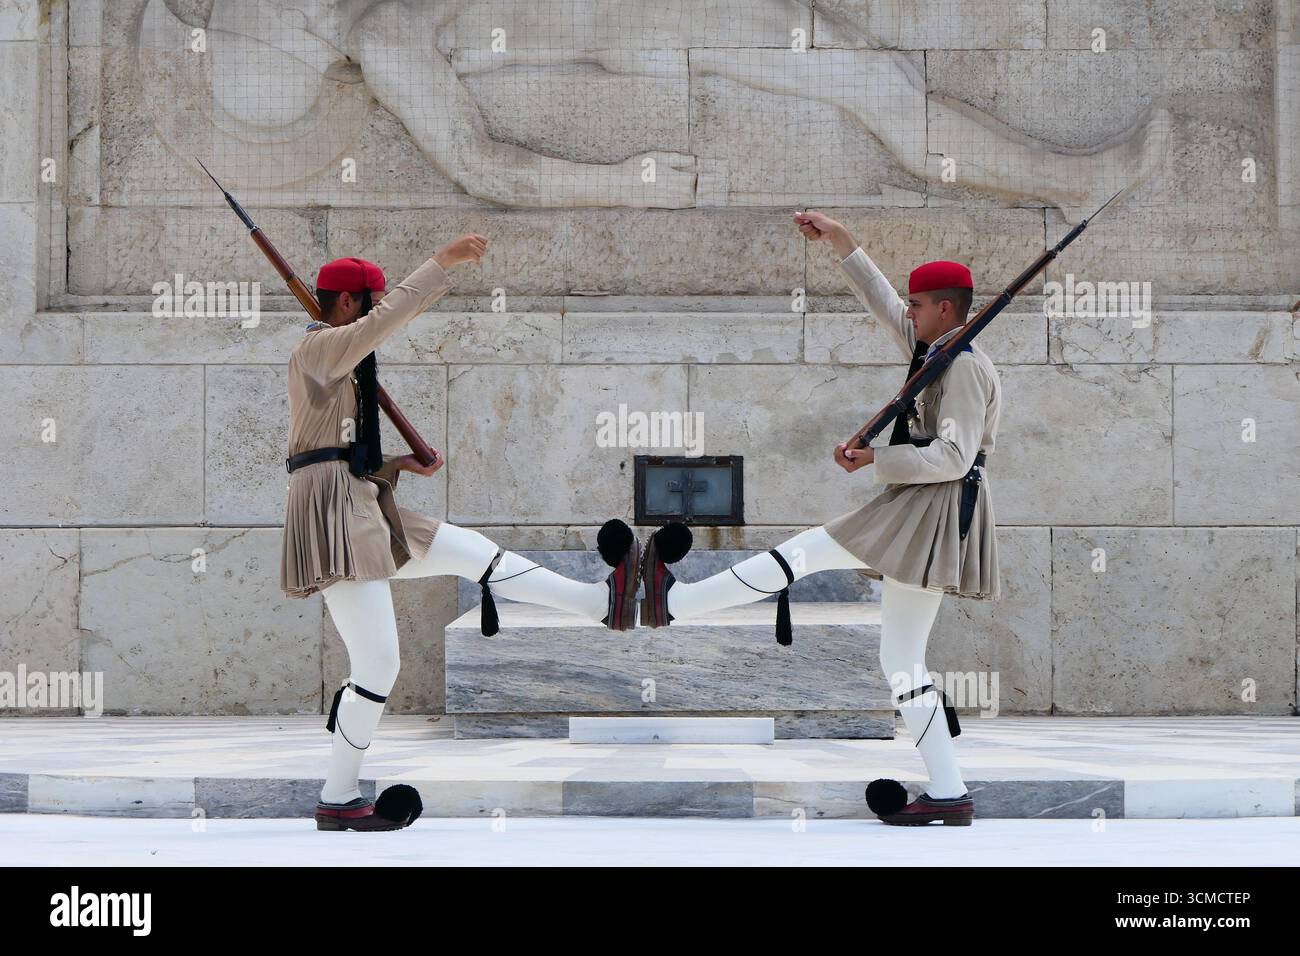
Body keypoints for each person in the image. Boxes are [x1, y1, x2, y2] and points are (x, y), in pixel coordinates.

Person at [637, 209, 1003, 826]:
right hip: (925, 508)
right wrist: (842, 243)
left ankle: (673, 604)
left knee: (811, 549)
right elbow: (882, 302)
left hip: (934, 509)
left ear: (945, 308)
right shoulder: (934, 350)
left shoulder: (963, 365)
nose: (908, 313)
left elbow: (954, 454)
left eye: (919, 305)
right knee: (902, 661)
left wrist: (875, 459)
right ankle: (948, 793)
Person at [279, 238, 641, 831]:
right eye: (367, 304)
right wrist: (441, 265)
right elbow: (388, 323)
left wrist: (397, 463)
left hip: (364, 503)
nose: (373, 315)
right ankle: (338, 797)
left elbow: (335, 449)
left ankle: (601, 603)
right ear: (346, 303)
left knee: (470, 550)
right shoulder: (320, 349)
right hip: (335, 518)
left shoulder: (338, 356)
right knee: (376, 665)